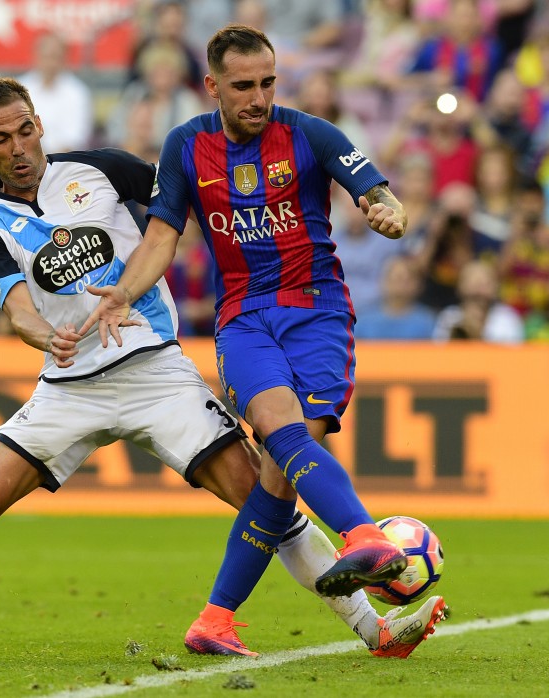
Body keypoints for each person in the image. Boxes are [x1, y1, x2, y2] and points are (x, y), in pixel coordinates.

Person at [0, 76, 444, 660]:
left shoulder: (102, 170)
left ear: (39, 123)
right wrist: (47, 337)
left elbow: (181, 209)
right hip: (70, 388)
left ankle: (374, 631)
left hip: (156, 371)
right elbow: (16, 309)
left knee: (266, 500)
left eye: (24, 129)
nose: (18, 146)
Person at [73, 25, 430, 639]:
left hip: (317, 312)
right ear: (212, 85)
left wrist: (389, 213)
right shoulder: (186, 146)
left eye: (267, 83)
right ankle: (366, 537)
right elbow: (162, 235)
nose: (258, 97)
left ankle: (215, 620)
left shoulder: (310, 132)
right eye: (243, 86)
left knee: (275, 472)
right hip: (242, 316)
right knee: (280, 435)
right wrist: (124, 293)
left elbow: (377, 191)